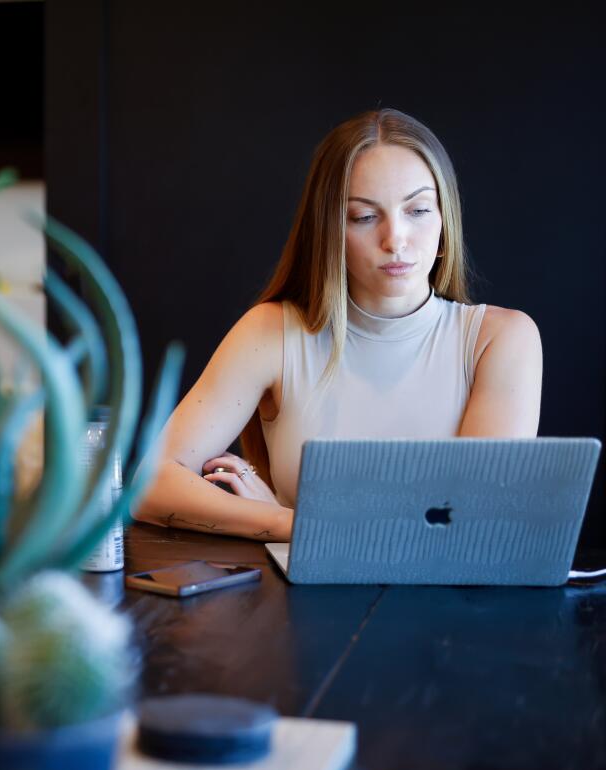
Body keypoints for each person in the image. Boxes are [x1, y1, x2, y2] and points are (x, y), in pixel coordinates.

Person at [133, 108, 543, 542]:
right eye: (365, 217)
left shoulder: (499, 340)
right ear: (329, 230)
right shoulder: (272, 333)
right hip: (296, 605)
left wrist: (301, 522)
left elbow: (479, 527)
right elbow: (149, 484)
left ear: (445, 219)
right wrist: (283, 522)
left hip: (443, 605)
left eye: (418, 210)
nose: (396, 240)